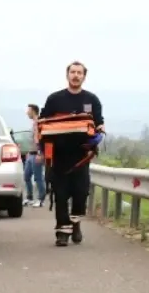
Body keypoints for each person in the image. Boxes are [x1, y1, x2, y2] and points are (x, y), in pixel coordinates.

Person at [38, 62, 104, 247]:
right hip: (58, 156)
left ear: (84, 76)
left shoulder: (92, 100)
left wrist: (98, 135)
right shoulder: (55, 99)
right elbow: (42, 123)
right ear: (67, 75)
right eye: (73, 72)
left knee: (80, 193)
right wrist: (42, 149)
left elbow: (99, 123)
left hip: (81, 157)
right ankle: (62, 232)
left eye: (79, 73)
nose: (76, 75)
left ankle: (75, 224)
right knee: (60, 194)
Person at [22, 104, 46, 208]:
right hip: (31, 154)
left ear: (33, 111)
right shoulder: (33, 124)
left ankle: (41, 199)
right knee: (26, 176)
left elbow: (39, 139)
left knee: (38, 177)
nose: (27, 112)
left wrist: (40, 153)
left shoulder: (38, 123)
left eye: (28, 110)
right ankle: (30, 197)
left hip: (37, 154)